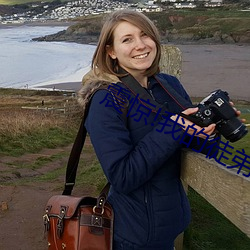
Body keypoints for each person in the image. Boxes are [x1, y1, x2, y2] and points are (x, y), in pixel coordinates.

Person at [78, 10, 243, 250]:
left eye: (145, 35)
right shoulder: (105, 100)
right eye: (127, 39)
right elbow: (123, 177)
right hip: (133, 236)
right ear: (111, 51)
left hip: (171, 226)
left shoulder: (167, 85)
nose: (140, 45)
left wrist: (212, 127)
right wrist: (174, 126)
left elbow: (195, 146)